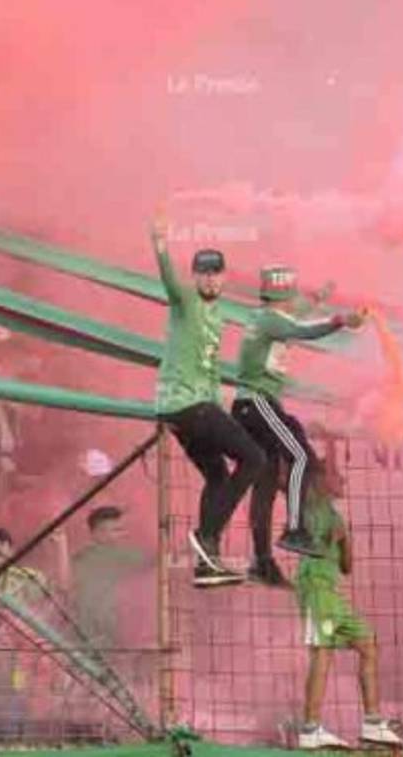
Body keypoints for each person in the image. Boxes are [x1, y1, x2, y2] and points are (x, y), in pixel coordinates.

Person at [232, 265, 367, 586]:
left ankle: (262, 561)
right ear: (282, 297)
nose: (294, 303)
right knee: (302, 456)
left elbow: (297, 319)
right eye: (291, 297)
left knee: (265, 483)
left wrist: (318, 298)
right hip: (258, 402)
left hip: (253, 406)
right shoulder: (271, 320)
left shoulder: (268, 318)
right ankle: (294, 531)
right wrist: (340, 321)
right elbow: (304, 330)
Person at [150, 214, 265, 588]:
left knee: (217, 475)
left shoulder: (218, 317)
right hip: (186, 405)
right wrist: (161, 244)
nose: (210, 278)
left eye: (216, 272)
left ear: (224, 277)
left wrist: (226, 408)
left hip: (194, 409)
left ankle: (206, 565)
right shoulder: (184, 300)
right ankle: (206, 539)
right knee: (255, 458)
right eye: (204, 272)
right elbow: (169, 282)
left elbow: (212, 369)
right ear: (195, 276)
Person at [294, 437, 403, 749]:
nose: (343, 480)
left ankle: (372, 723)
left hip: (333, 594)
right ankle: (311, 728)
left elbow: (347, 567)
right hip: (315, 589)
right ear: (323, 481)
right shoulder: (313, 502)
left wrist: (345, 541)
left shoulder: (338, 518)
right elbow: (322, 469)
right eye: (338, 476)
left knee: (368, 644)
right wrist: (329, 439)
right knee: (322, 653)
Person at [0, 528, 51, 739]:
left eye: (1, 543)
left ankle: (13, 740)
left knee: (15, 704)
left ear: (12, 548)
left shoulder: (28, 576)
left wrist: (59, 548)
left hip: (17, 653)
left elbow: (54, 594)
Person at [71, 506, 153, 653]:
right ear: (98, 533)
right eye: (117, 530)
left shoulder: (80, 557)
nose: (123, 534)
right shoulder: (117, 555)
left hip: (84, 633)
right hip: (98, 635)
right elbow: (158, 560)